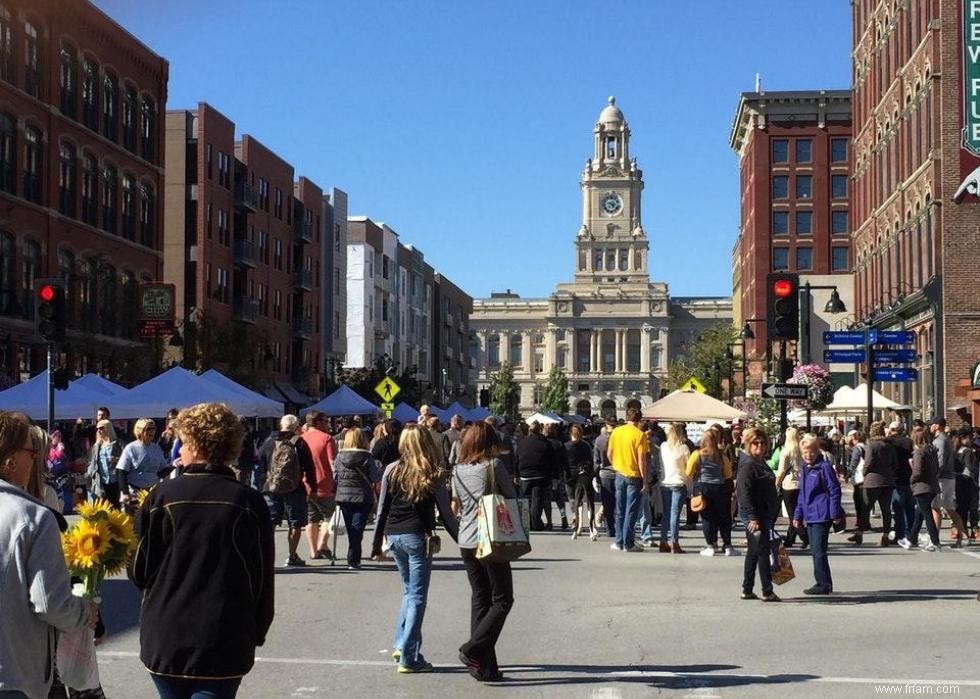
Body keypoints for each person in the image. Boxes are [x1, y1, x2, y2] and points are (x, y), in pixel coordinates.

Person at [130, 402, 274, 699]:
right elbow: (261, 577)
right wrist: (257, 628)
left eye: (183, 442)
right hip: (225, 633)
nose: (179, 449)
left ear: (195, 444)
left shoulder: (161, 497)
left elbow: (139, 570)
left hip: (167, 631)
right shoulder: (248, 501)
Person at [1, 411, 98, 699]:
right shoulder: (32, 516)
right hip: (14, 677)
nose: (35, 461)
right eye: (32, 453)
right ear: (11, 459)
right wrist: (84, 612)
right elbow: (48, 603)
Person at [370, 425, 459, 674]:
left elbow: (382, 509)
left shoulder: (391, 469)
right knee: (418, 596)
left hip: (394, 535)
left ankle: (401, 644)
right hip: (417, 536)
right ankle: (409, 656)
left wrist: (376, 543)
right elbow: (446, 514)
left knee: (408, 592)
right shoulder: (431, 472)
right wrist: (463, 540)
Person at [451, 422, 517, 683]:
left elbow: (457, 500)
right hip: (489, 538)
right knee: (502, 598)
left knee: (480, 599)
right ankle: (473, 650)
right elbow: (510, 496)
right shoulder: (494, 466)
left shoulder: (457, 469)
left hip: (465, 538)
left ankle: (484, 667)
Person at [260, 415, 317, 567]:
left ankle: (267, 557)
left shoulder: (268, 442)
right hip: (294, 488)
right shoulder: (299, 442)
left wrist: (263, 483)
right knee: (295, 523)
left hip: (271, 487)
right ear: (296, 426)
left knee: (270, 523)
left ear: (281, 425)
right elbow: (309, 468)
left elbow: (260, 463)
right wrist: (313, 487)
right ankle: (292, 556)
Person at [792, 434, 845, 595]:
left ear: (817, 451)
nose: (808, 455)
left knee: (818, 550)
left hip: (822, 513)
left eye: (812, 452)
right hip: (810, 513)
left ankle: (823, 584)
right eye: (805, 452)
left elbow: (834, 490)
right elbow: (802, 494)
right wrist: (797, 515)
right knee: (815, 550)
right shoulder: (804, 468)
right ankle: (823, 582)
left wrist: (834, 512)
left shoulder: (824, 467)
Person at [737, 427, 780, 602]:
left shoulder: (761, 463)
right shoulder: (748, 465)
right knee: (763, 552)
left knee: (753, 553)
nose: (760, 446)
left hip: (764, 513)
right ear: (748, 445)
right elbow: (743, 492)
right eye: (755, 443)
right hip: (755, 515)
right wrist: (752, 517)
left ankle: (747, 589)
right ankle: (767, 590)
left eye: (763, 443)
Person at [333, 428, 382, 570]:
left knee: (351, 527)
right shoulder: (367, 457)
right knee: (358, 528)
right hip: (362, 496)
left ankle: (353, 557)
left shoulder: (339, 456)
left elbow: (335, 477)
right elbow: (375, 477)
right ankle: (353, 559)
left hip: (343, 496)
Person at [686, 429, 736, 556]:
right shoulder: (721, 455)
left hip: (702, 488)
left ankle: (710, 545)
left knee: (707, 518)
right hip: (720, 488)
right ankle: (728, 545)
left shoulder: (697, 454)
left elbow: (688, 472)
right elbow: (728, 474)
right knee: (723, 517)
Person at [607, 408, 650, 553]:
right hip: (634, 476)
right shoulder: (640, 435)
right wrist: (645, 481)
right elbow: (641, 459)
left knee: (619, 509)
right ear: (639, 419)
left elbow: (609, 453)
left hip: (619, 473)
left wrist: (616, 465)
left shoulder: (616, 432)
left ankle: (619, 541)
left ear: (627, 417)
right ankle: (628, 543)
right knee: (631, 511)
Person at [301, 411, 338, 561]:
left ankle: (313, 551)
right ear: (317, 422)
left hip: (305, 484)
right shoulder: (327, 439)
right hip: (324, 483)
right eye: (325, 421)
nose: (328, 424)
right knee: (330, 517)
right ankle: (322, 544)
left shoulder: (301, 439)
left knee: (311, 519)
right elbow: (333, 463)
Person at [853, 421, 897, 547]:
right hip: (887, 481)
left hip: (872, 481)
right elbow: (895, 464)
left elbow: (868, 462)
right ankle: (885, 535)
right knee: (886, 510)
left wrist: (865, 472)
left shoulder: (871, 445)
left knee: (865, 508)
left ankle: (859, 533)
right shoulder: (889, 445)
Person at [116, 418, 168, 510]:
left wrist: (176, 466)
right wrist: (124, 492)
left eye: (153, 429)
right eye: (148, 429)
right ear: (139, 430)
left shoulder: (156, 448)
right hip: (134, 492)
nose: (152, 432)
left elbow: (162, 471)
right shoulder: (131, 448)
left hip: (152, 492)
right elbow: (121, 471)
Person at [930, 417, 967, 545]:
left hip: (942, 478)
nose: (930, 426)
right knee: (949, 508)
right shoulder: (946, 439)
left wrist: (933, 475)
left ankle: (934, 538)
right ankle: (963, 536)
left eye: (932, 424)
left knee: (936, 507)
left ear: (937, 426)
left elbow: (940, 461)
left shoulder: (940, 440)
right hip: (949, 477)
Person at [659, 422, 691, 554]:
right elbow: (689, 468)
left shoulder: (663, 446)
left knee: (666, 514)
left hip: (665, 482)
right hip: (679, 483)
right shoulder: (683, 448)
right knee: (675, 514)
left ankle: (663, 541)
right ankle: (675, 542)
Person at [908, 425, 941, 551]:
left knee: (927, 515)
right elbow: (937, 469)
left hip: (922, 487)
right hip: (932, 485)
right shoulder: (932, 451)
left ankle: (935, 541)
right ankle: (911, 538)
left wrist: (912, 481)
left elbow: (917, 472)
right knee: (919, 514)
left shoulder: (919, 452)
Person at [516, 421, 553, 531]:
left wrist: (516, 474)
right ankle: (535, 523)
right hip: (539, 475)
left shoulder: (522, 442)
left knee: (526, 500)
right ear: (540, 429)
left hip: (525, 475)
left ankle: (526, 523)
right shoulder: (545, 443)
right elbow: (551, 460)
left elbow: (517, 459)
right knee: (537, 501)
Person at [775, 427, 809, 549]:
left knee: (792, 515)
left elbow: (782, 470)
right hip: (801, 483)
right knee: (796, 513)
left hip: (789, 484)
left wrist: (777, 483)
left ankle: (805, 536)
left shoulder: (785, 451)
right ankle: (790, 539)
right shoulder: (802, 450)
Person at [565, 424, 596, 539]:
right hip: (584, 475)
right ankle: (590, 529)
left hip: (570, 476)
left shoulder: (566, 446)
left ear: (570, 433)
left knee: (574, 500)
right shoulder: (586, 445)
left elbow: (563, 462)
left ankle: (576, 522)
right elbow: (590, 461)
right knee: (588, 502)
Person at [85, 419, 123, 506]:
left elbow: (126, 460)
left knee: (116, 509)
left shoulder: (118, 444)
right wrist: (90, 474)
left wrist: (118, 460)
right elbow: (91, 462)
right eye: (97, 428)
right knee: (102, 510)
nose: (99, 430)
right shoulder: (96, 446)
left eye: (101, 428)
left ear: (108, 428)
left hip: (115, 481)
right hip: (100, 482)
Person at [593, 420, 617, 539]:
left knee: (607, 503)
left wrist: (596, 476)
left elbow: (596, 461)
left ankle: (610, 529)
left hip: (604, 473)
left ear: (606, 424)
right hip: (619, 472)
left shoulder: (599, 439)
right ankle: (618, 527)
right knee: (618, 503)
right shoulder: (619, 437)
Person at [46, 428, 73, 514]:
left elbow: (67, 459)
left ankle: (62, 510)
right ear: (51, 437)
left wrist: (61, 450)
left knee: (62, 494)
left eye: (60, 436)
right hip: (50, 475)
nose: (58, 438)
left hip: (62, 475)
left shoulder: (62, 447)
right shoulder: (47, 447)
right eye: (56, 436)